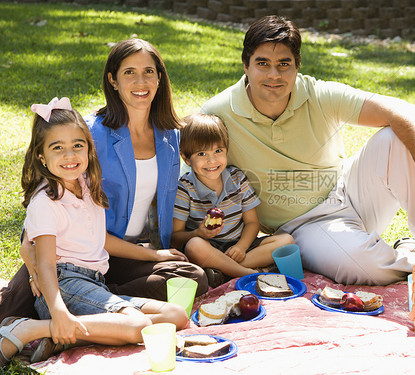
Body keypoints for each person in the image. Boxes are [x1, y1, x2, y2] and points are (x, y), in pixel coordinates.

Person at [200, 15, 415, 286]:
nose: (273, 75)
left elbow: (404, 111)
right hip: (304, 226)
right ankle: (412, 259)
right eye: (262, 64)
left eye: (284, 64)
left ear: (297, 67)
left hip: (351, 191)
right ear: (246, 65)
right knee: (369, 268)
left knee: (395, 136)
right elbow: (193, 170)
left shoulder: (318, 93)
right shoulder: (218, 113)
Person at [0, 38, 208, 323]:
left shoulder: (170, 136)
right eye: (129, 73)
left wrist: (157, 253)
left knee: (192, 277)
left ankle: (98, 298)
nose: (141, 81)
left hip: (125, 255)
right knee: (8, 311)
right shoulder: (91, 133)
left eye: (149, 71)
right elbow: (49, 186)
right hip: (70, 257)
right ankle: (86, 303)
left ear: (160, 77)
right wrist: (27, 247)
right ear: (112, 80)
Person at [0, 99, 188, 368]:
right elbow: (46, 263)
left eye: (78, 145)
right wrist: (58, 311)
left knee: (175, 314)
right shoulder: (46, 200)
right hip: (64, 286)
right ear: (41, 156)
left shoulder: (86, 184)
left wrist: (153, 253)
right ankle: (32, 329)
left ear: (89, 148)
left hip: (93, 283)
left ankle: (67, 336)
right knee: (138, 325)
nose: (70, 155)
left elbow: (100, 240)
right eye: (58, 148)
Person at [171, 113, 294, 285]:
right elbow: (175, 238)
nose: (212, 160)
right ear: (186, 158)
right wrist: (198, 233)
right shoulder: (185, 189)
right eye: (201, 153)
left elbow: (252, 223)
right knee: (194, 246)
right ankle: (250, 273)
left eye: (218, 151)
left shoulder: (237, 178)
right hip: (209, 248)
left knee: (286, 241)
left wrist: (241, 247)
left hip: (240, 245)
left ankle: (225, 272)